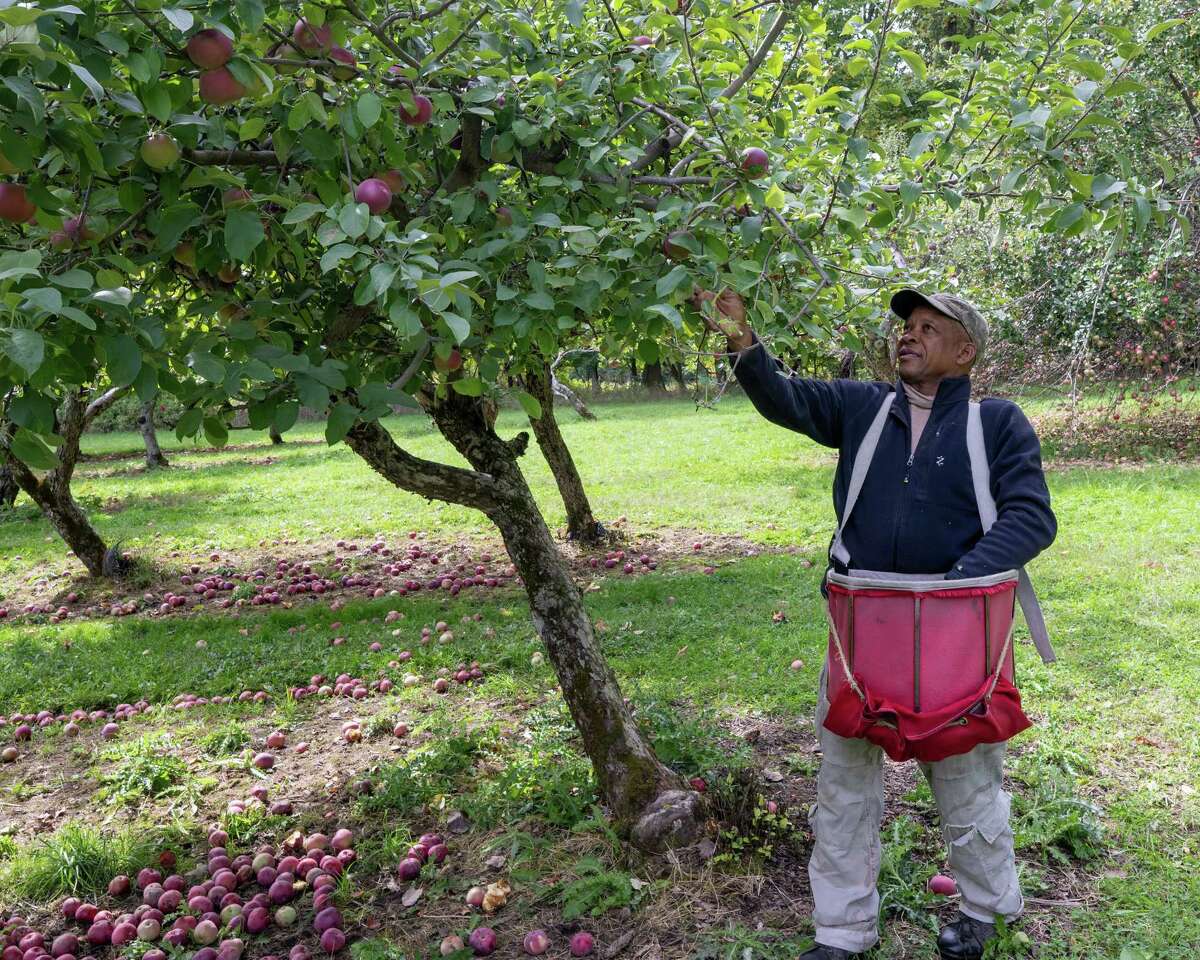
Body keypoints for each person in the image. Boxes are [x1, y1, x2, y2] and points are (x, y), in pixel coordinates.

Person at [692, 286, 1057, 960]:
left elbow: (1032, 516)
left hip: (957, 631)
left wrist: (958, 581)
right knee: (844, 786)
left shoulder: (995, 423)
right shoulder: (864, 408)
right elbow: (786, 398)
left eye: (926, 328)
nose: (907, 337)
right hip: (864, 633)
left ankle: (984, 910)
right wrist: (741, 337)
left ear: (964, 351)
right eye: (904, 328)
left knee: (968, 781)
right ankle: (842, 930)